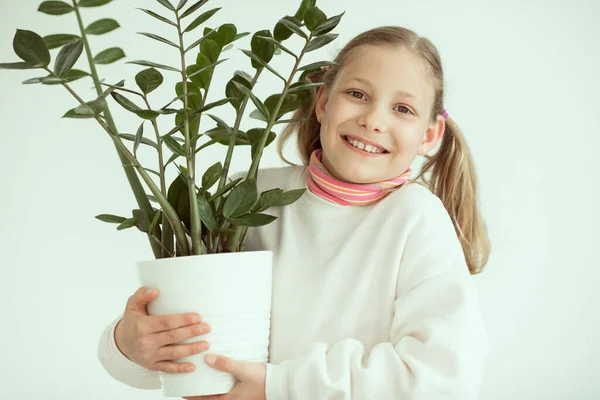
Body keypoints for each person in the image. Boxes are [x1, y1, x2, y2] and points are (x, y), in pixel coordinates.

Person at [98, 25, 492, 399]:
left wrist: (280, 387)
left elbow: (445, 379)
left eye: (403, 108)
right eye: (357, 94)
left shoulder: (416, 218)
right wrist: (128, 345)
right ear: (322, 101)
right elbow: (188, 351)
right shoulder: (246, 195)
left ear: (429, 135)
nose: (373, 120)